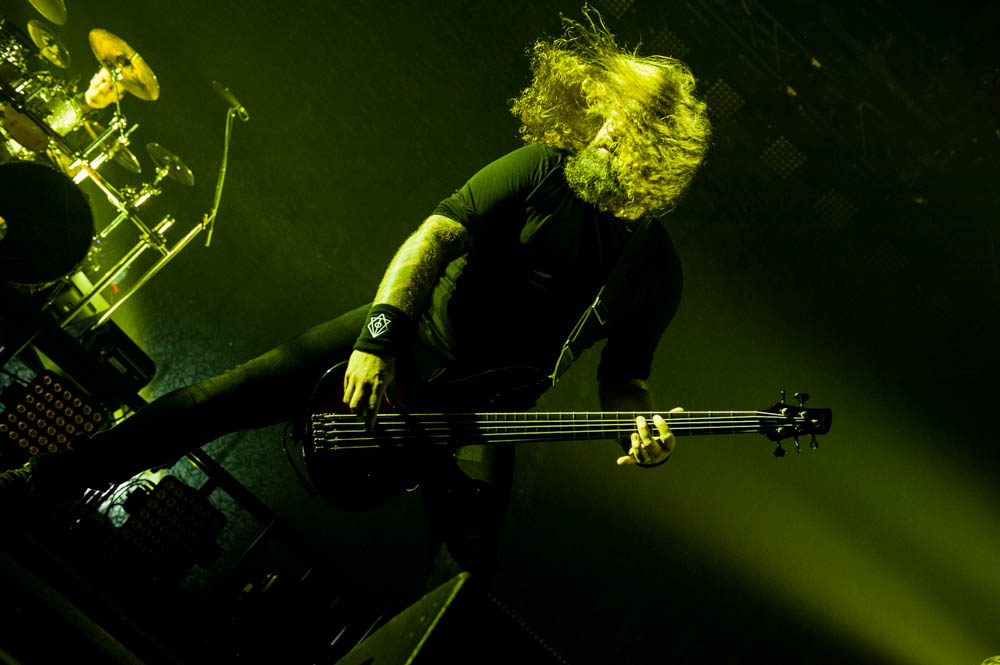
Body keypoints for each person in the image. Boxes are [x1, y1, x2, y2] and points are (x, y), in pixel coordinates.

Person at [1, 8, 711, 586]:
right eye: (607, 115)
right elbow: (432, 239)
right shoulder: (542, 168)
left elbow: (626, 375)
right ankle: (40, 481)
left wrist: (639, 423)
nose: (604, 132)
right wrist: (378, 339)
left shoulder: (653, 270)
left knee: (468, 561)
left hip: (479, 411)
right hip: (410, 334)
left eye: (626, 129)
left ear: (658, 154)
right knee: (215, 401)